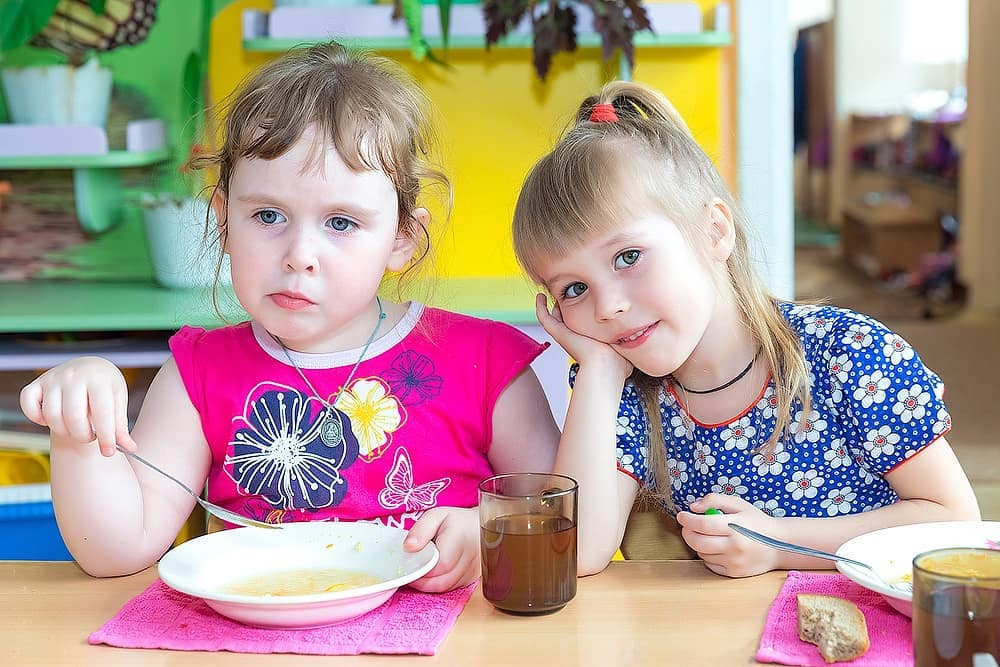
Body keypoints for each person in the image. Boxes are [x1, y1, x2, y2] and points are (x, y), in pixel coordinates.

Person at [19, 42, 559, 591]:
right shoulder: (195, 375)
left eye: (341, 223)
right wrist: (78, 431)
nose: (299, 253)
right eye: (269, 215)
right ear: (224, 219)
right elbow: (116, 550)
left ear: (402, 238)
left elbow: (559, 519)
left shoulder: (488, 363)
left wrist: (485, 529)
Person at [510, 81, 980, 578]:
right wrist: (600, 373)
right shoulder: (624, 390)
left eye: (628, 257)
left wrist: (778, 546)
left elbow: (954, 522)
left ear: (715, 231)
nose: (609, 307)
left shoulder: (852, 355)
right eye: (574, 290)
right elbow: (576, 553)